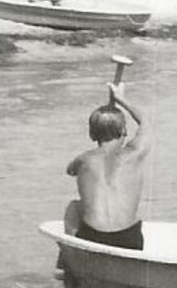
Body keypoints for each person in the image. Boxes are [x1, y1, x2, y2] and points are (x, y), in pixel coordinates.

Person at [63, 84, 153, 252]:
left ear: (91, 135)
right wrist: (121, 99)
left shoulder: (84, 159)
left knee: (74, 207)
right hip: (128, 238)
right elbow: (145, 121)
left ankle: (69, 261)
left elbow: (70, 170)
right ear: (124, 131)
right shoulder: (135, 153)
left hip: (93, 237)